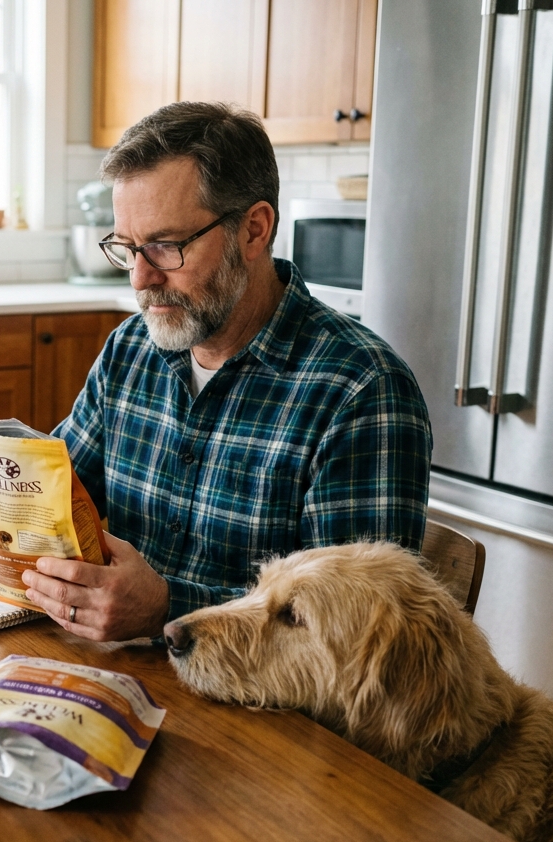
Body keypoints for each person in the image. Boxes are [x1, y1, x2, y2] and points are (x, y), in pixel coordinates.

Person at [21, 101, 432, 641]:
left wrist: (167, 609)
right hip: (112, 674)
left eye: (166, 247)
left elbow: (354, 640)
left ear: (255, 230)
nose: (140, 279)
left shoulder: (361, 392)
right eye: (127, 247)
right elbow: (54, 501)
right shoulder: (130, 350)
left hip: (263, 717)